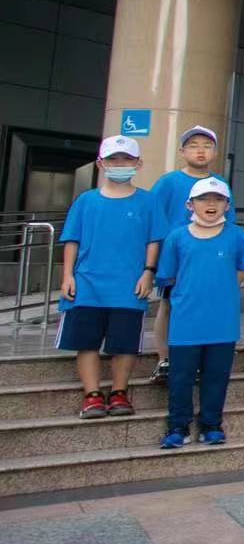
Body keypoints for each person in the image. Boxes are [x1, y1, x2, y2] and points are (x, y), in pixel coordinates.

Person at [58, 135, 158, 421]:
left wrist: (148, 272)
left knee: (125, 344)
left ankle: (119, 392)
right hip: (87, 283)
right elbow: (72, 240)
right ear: (101, 163)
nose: (120, 164)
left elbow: (153, 240)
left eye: (127, 159)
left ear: (138, 164)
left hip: (128, 286)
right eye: (114, 159)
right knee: (86, 342)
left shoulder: (147, 201)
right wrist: (67, 275)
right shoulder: (86, 201)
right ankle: (91, 395)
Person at [154, 179, 244, 449]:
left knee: (216, 376)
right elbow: (168, 275)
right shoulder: (177, 237)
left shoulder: (236, 235)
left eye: (218, 199)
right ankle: (178, 426)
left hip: (222, 320)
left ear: (227, 205)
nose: (211, 204)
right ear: (190, 204)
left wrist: (227, 285)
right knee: (181, 377)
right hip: (186, 321)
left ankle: (211, 425)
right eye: (204, 199)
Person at [148, 124, 225, 381]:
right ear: (182, 151)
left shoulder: (219, 184)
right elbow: (153, 219)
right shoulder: (168, 182)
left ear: (215, 152)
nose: (200, 151)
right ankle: (164, 358)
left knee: (205, 305)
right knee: (168, 304)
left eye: (207, 146)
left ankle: (199, 358)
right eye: (193, 146)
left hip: (210, 258)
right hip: (176, 258)